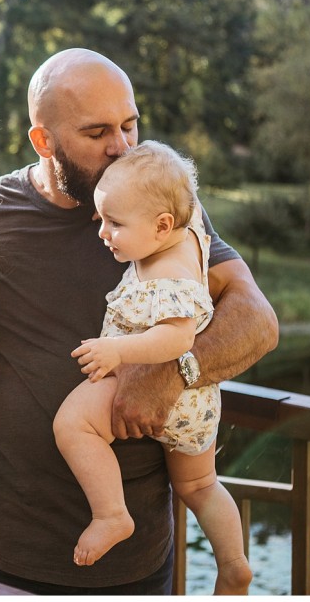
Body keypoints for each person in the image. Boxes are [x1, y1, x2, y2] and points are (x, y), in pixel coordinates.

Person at [0, 48, 278, 594]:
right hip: (3, 550)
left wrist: (169, 372)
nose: (122, 146)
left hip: (132, 567)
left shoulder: (162, 213)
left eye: (130, 124)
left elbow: (256, 320)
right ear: (44, 141)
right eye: (97, 131)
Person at [55, 141, 252, 593]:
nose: (103, 232)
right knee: (201, 485)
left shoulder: (169, 274)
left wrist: (118, 351)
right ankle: (234, 563)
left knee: (73, 426)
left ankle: (110, 514)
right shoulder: (189, 237)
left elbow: (178, 337)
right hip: (199, 406)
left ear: (162, 225)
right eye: (103, 219)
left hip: (156, 379)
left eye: (115, 224)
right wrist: (121, 212)